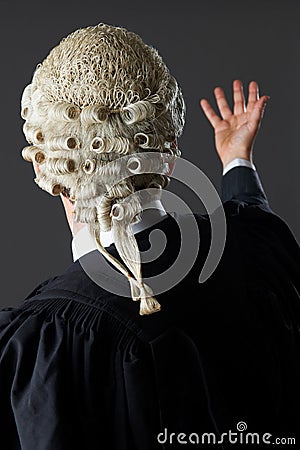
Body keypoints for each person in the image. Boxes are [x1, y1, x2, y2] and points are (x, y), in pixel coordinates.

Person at [0, 23, 299, 450]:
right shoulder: (254, 247)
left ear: (43, 167)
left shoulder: (44, 345)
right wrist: (236, 160)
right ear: (169, 152)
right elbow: (254, 216)